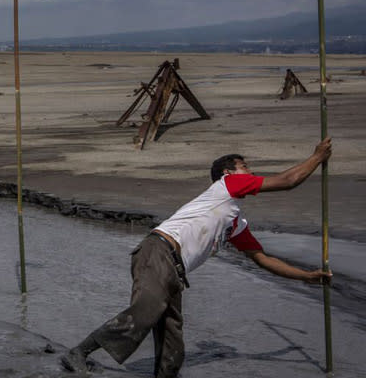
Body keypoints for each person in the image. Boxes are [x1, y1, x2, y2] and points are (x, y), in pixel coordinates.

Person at [61, 137, 333, 377]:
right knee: (145, 311)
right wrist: (317, 157)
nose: (250, 171)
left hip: (174, 269)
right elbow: (288, 181)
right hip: (158, 251)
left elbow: (262, 259)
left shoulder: (235, 222)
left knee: (172, 339)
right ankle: (78, 353)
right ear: (228, 172)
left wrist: (307, 277)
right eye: (245, 166)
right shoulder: (228, 185)